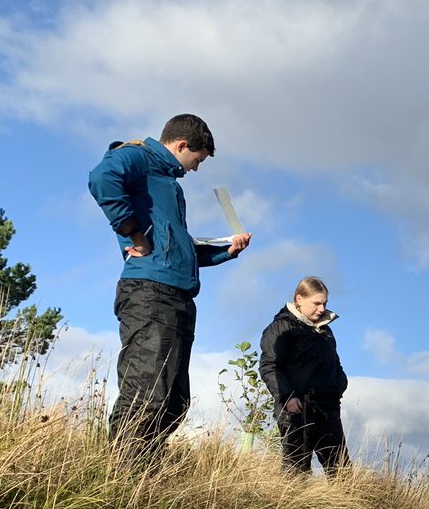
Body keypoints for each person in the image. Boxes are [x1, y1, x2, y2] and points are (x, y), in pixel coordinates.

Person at [88, 113, 252, 455]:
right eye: (197, 159)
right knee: (146, 390)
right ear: (180, 145)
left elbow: (178, 248)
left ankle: (146, 468)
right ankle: (123, 475)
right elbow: (102, 177)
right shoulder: (138, 157)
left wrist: (227, 253)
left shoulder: (168, 186)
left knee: (175, 401)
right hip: (149, 292)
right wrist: (130, 229)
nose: (196, 168)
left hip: (177, 296)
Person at [259, 276, 350, 474]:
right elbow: (269, 366)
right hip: (296, 410)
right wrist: (288, 396)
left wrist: (339, 386)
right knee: (296, 471)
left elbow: (336, 364)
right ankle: (290, 505)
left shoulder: (326, 332)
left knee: (342, 472)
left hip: (328, 409)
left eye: (324, 303)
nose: (321, 308)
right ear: (299, 299)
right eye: (316, 303)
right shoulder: (281, 328)